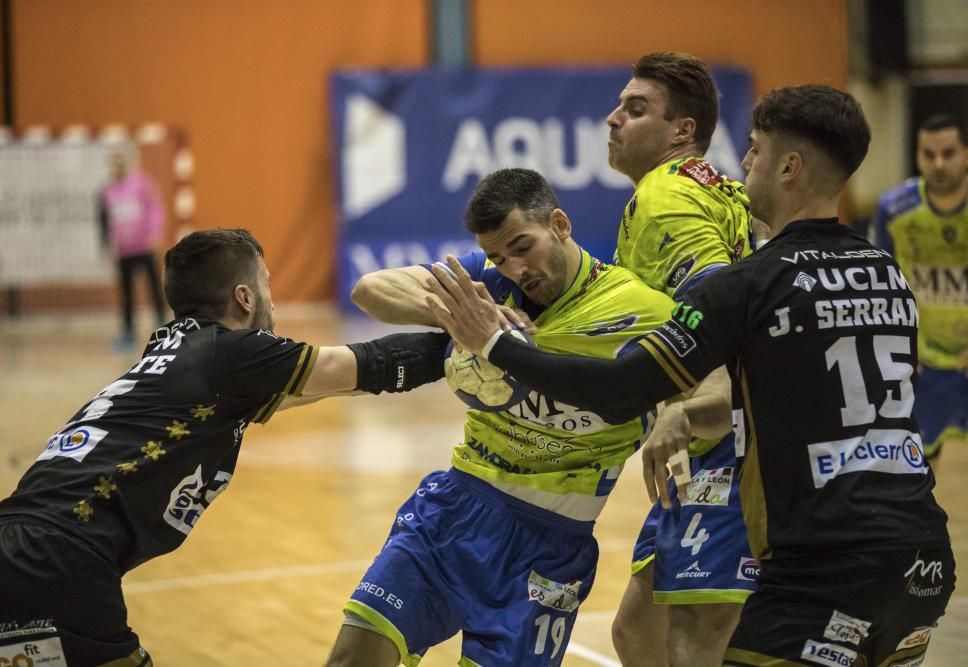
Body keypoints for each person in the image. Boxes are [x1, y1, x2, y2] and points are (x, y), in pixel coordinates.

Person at [428, 85, 954, 667]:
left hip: (824, 565)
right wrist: (688, 412)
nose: (743, 164)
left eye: (753, 150)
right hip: (921, 557)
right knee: (642, 631)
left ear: (789, 167)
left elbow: (621, 389)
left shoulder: (748, 283)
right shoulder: (887, 273)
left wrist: (495, 345)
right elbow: (791, 391)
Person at [0, 228, 448, 666]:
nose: (273, 304)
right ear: (244, 297)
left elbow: (335, 386)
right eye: (267, 286)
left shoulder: (177, 353)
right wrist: (471, 345)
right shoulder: (227, 352)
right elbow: (368, 362)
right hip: (60, 561)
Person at [329, 168, 722, 666]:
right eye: (498, 256)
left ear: (559, 223)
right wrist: (470, 318)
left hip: (552, 544)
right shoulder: (490, 285)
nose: (514, 268)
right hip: (456, 510)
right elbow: (370, 289)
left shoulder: (640, 308)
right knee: (352, 657)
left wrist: (681, 413)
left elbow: (719, 386)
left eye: (522, 246)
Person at [604, 51, 755, 667]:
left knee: (689, 641)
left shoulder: (667, 200)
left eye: (635, 109)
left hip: (724, 446)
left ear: (681, 130)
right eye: (618, 105)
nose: (613, 119)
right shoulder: (722, 190)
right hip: (722, 441)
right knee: (640, 631)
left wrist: (695, 411)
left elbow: (718, 321)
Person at [871, 114, 968, 464]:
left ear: (966, 153)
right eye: (929, 154)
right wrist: (900, 346)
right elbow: (883, 286)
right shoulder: (893, 210)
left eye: (949, 153)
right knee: (921, 469)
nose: (939, 163)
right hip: (924, 362)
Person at [99, 152, 168, 351]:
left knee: (154, 287)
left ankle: (163, 326)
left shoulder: (141, 184)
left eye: (120, 164)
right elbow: (105, 221)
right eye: (114, 165)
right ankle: (128, 332)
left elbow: (155, 208)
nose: (117, 168)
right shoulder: (108, 192)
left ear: (126, 165)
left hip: (144, 246)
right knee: (126, 292)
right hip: (123, 251)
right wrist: (108, 246)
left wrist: (155, 232)